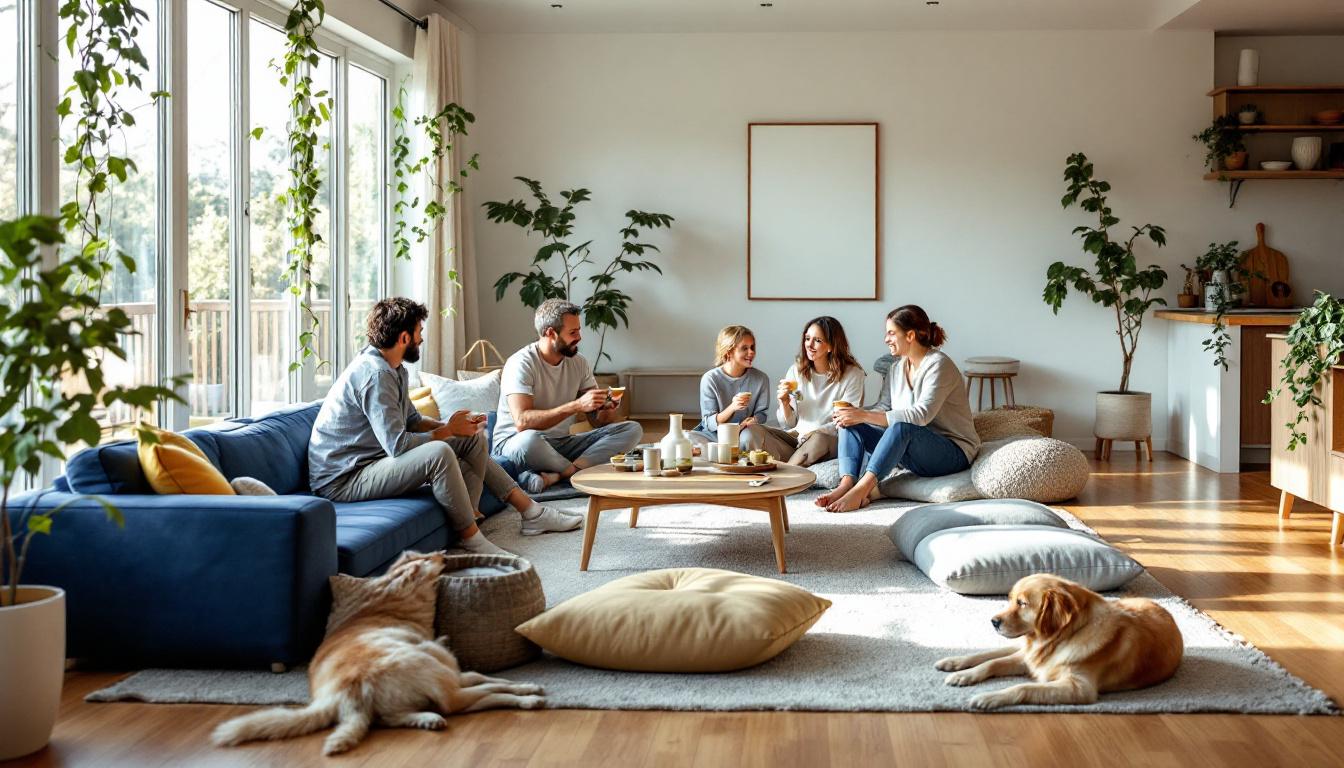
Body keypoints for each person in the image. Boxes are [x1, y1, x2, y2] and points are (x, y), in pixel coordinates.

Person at [308, 298, 581, 557]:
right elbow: (398, 445)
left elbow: (413, 421)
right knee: (438, 453)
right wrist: (448, 431)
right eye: (419, 331)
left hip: (372, 461)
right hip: (345, 478)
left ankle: (530, 512)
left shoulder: (394, 368)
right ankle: (471, 538)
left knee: (473, 437)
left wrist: (456, 427)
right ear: (404, 338)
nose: (422, 338)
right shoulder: (376, 375)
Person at [818, 305, 980, 513]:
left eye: (891, 333)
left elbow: (921, 416)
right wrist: (853, 414)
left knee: (901, 428)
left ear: (910, 335)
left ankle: (862, 490)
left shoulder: (939, 365)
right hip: (912, 451)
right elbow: (884, 408)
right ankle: (846, 485)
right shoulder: (896, 368)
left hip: (952, 453)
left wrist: (863, 415)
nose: (886, 339)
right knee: (849, 423)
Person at [493, 299, 643, 492]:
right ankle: (573, 472)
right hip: (516, 443)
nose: (579, 337)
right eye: (573, 332)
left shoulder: (579, 363)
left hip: (561, 444)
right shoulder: (521, 363)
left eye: (579, 330)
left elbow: (598, 422)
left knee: (631, 429)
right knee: (529, 440)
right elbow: (523, 422)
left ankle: (557, 474)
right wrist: (576, 405)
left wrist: (606, 408)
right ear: (550, 333)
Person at [773, 316, 866, 466]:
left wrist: (815, 433)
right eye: (807, 338)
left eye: (817, 340)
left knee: (818, 440)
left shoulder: (853, 375)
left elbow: (846, 421)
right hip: (798, 438)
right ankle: (793, 463)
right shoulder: (796, 371)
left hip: (828, 439)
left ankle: (786, 472)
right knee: (751, 433)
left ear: (831, 346)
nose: (809, 345)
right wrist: (784, 403)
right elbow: (789, 424)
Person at [692, 325, 794, 457]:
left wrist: (754, 420)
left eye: (752, 347)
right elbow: (708, 423)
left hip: (744, 433)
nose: (751, 352)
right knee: (686, 439)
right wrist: (733, 407)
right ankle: (724, 453)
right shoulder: (710, 379)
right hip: (714, 434)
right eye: (744, 348)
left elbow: (762, 414)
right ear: (728, 352)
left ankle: (726, 455)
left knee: (749, 437)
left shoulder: (761, 379)